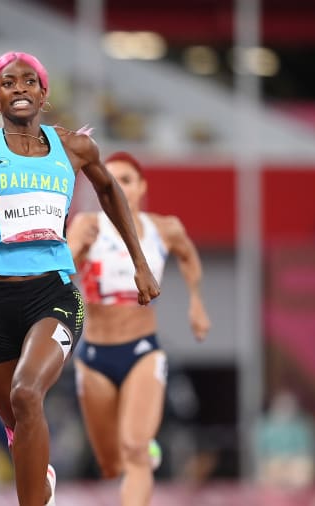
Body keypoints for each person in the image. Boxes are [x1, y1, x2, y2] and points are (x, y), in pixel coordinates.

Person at [0, 51, 161, 506]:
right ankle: (42, 484)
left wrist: (139, 261)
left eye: (29, 81)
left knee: (26, 392)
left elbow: (110, 192)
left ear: (43, 93)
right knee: (17, 425)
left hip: (52, 295)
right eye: (8, 82)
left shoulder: (73, 147)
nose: (19, 88)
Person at [66, 151, 211, 506]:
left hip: (142, 352)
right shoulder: (89, 225)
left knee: (134, 450)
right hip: (94, 356)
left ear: (142, 186)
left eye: (126, 180)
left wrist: (196, 300)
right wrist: (75, 253)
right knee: (111, 462)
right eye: (109, 180)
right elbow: (63, 268)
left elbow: (189, 256)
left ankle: (143, 446)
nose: (117, 187)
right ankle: (139, 448)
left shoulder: (164, 228)